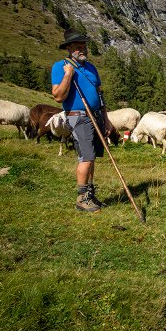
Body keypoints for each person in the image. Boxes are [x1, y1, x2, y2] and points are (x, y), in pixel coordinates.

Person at [51, 28, 114, 212]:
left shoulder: (91, 67)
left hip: (96, 115)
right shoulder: (60, 67)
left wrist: (106, 119)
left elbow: (100, 95)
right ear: (69, 48)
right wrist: (69, 74)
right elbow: (58, 96)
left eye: (84, 46)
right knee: (86, 157)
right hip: (78, 117)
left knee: (93, 157)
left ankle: (90, 194)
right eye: (78, 47)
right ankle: (81, 198)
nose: (83, 50)